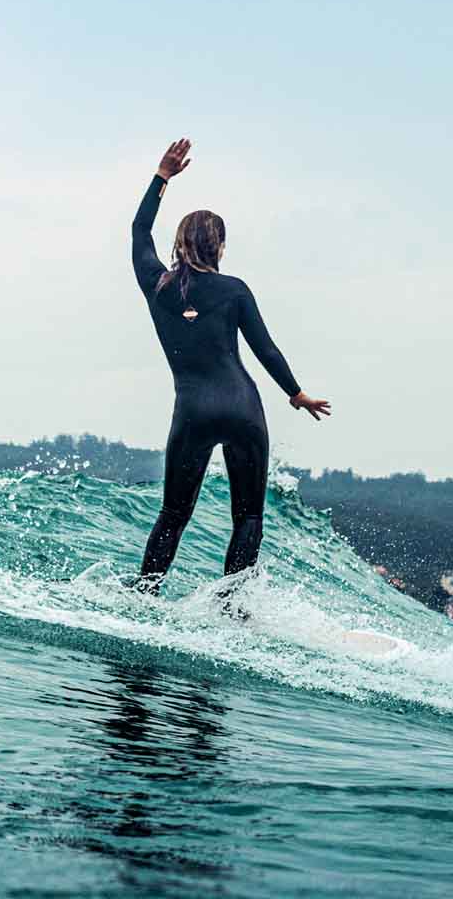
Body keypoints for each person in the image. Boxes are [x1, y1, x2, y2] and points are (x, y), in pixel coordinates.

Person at [129, 138, 332, 593]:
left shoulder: (157, 286)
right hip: (243, 409)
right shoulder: (235, 289)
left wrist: (161, 178)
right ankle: (232, 606)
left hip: (194, 411)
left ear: (179, 244)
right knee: (249, 517)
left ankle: (144, 594)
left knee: (174, 514)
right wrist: (295, 394)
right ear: (219, 246)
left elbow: (139, 233)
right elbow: (266, 349)